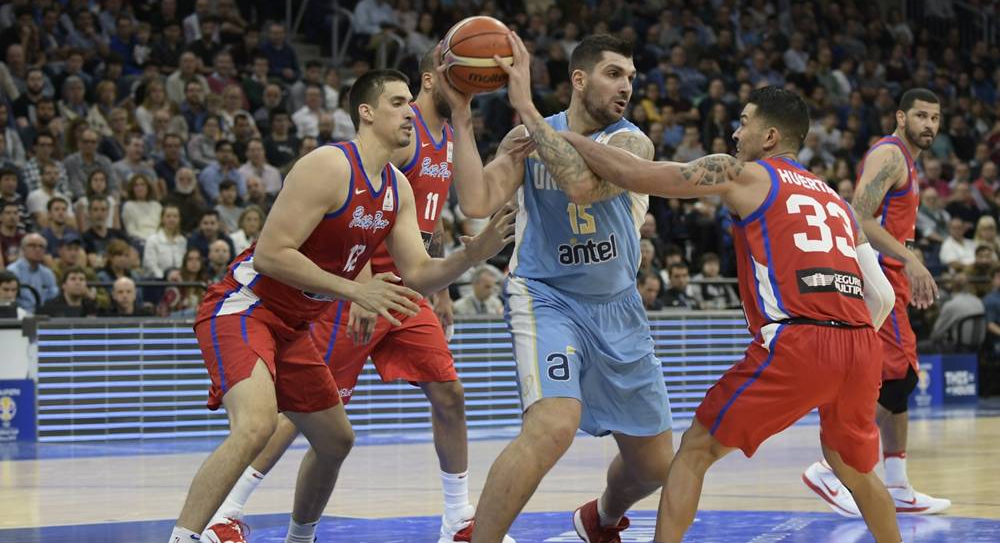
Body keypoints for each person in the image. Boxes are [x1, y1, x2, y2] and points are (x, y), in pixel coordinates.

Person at [169, 69, 515, 543]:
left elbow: (417, 271)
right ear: (366, 113)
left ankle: (299, 538)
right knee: (256, 424)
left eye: (408, 102)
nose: (409, 112)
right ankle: (192, 532)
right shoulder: (328, 165)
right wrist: (354, 290)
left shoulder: (397, 187)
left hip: (296, 322)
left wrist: (472, 256)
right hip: (246, 306)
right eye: (397, 103)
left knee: (336, 441)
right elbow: (271, 254)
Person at [571, 85, 901, 543]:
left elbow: (641, 175)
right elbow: (881, 295)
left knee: (695, 450)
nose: (735, 130)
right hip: (863, 344)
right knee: (857, 470)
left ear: (768, 136)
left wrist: (572, 138)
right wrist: (845, 347)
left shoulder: (746, 174)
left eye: (743, 121)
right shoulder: (838, 202)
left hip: (799, 341)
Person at [442, 33, 674, 543]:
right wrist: (461, 121)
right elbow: (477, 201)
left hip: (618, 308)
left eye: (631, 78)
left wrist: (524, 105)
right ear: (579, 79)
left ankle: (602, 518)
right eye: (615, 74)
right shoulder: (529, 135)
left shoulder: (632, 142)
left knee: (655, 466)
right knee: (552, 427)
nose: (626, 87)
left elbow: (581, 186)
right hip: (546, 296)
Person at [801, 88, 951, 517]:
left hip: (892, 270)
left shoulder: (908, 160)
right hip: (879, 272)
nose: (929, 125)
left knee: (896, 385)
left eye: (935, 118)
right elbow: (858, 215)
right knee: (901, 378)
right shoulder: (890, 155)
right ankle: (833, 467)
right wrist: (911, 259)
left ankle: (899, 485)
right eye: (921, 116)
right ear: (900, 118)